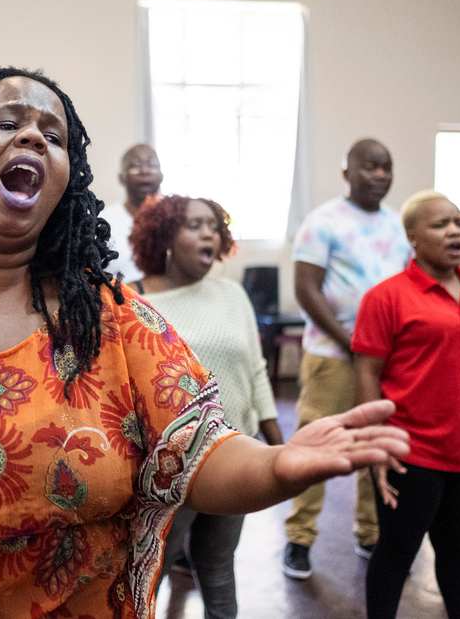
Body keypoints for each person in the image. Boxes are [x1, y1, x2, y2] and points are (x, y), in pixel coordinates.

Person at [0, 67, 408, 619]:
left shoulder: (114, 317)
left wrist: (277, 466)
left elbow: (200, 451)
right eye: (6, 122)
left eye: (53, 133)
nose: (32, 132)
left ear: (67, 179)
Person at [352, 190, 460, 619]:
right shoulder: (386, 297)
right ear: (413, 237)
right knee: (395, 553)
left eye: (458, 223)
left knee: (458, 554)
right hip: (412, 453)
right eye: (440, 225)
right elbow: (367, 371)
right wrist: (376, 445)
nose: (454, 232)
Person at [127, 194, 283, 619]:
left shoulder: (232, 294)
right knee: (150, 571)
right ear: (165, 237)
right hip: (169, 466)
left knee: (217, 565)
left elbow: (255, 371)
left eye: (214, 226)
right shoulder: (132, 301)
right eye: (195, 225)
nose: (208, 233)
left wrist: (275, 447)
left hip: (237, 453)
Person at [282, 138, 412, 579]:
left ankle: (370, 531)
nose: (379, 174)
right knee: (315, 441)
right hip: (333, 356)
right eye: (370, 166)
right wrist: (351, 340)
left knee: (376, 441)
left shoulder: (399, 225)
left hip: (385, 359)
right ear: (347, 172)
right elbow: (306, 289)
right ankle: (299, 538)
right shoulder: (323, 222)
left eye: (386, 166)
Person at [100, 144, 162, 282]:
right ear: (121, 178)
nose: (145, 171)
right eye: (135, 166)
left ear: (161, 176)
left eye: (152, 165)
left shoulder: (175, 221)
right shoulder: (102, 222)